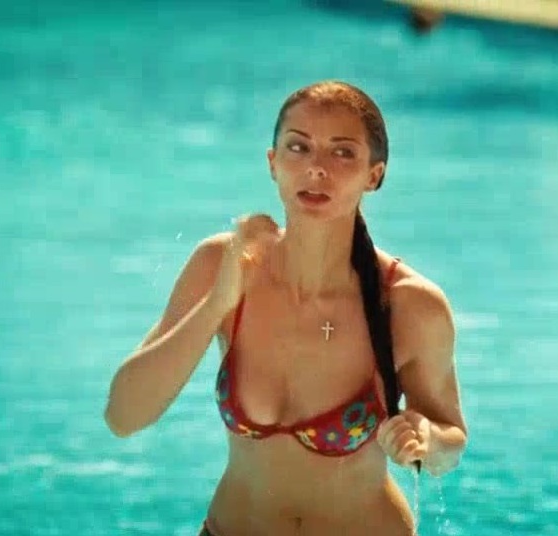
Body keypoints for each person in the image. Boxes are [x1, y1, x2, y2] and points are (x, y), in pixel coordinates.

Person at [104, 80, 469, 535]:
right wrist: (218, 302)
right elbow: (123, 417)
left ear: (373, 175)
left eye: (342, 153)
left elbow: (450, 442)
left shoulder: (410, 304)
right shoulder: (223, 263)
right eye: (299, 147)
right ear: (272, 163)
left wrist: (427, 440)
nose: (316, 168)